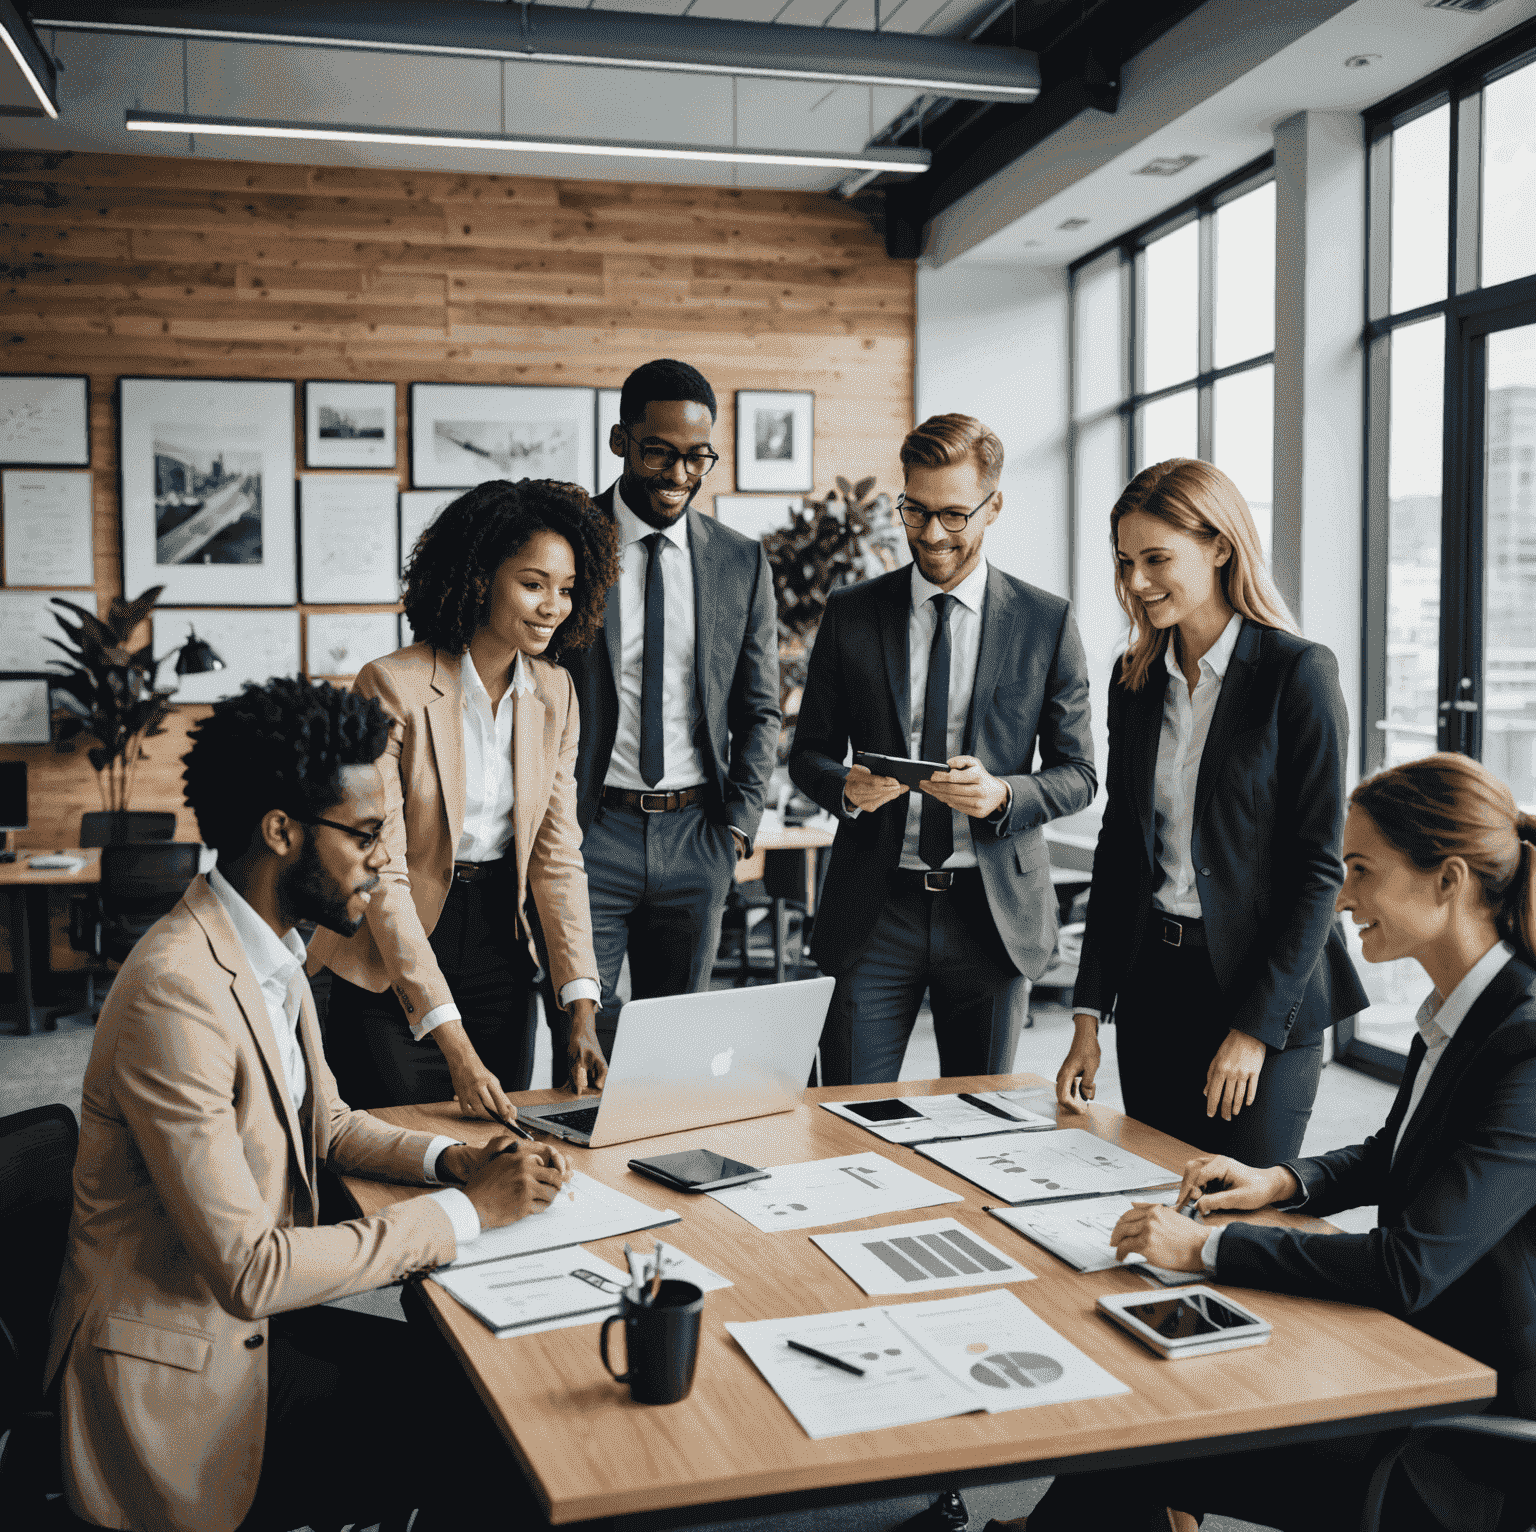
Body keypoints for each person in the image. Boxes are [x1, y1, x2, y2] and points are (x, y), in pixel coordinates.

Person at [45, 677, 571, 1532]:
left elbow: (322, 1123)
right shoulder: (176, 992)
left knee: (483, 1384)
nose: (382, 860)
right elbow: (251, 1270)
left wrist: (452, 1160)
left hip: (246, 1326)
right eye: (367, 835)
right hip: (183, 1370)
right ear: (281, 831)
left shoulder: (270, 951)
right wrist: (464, 1215)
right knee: (490, 1436)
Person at [1012, 752, 1536, 1532]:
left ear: (1448, 880)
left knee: (1154, 1427)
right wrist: (1280, 1183)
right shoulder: (1460, 1012)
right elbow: (1389, 1153)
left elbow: (1408, 1264)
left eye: (1360, 871)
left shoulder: (1524, 1045)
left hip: (1456, 1443)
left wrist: (1207, 1250)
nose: (1342, 896)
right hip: (1406, 1361)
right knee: (1155, 1394)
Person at [1055, 458, 1367, 1163]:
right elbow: (1120, 850)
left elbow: (1320, 870)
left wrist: (1255, 1029)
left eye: (1157, 558)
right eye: (1126, 561)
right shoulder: (1134, 681)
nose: (1136, 582)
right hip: (1153, 991)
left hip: (1263, 992)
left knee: (1236, 1208)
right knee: (1152, 1190)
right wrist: (1086, 1013)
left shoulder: (1299, 674)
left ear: (1220, 546)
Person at [789, 413, 1095, 1084]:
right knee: (846, 1117)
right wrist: (846, 786)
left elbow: (1079, 775)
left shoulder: (1048, 622)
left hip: (991, 915)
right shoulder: (852, 612)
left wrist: (1005, 794)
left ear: (994, 507)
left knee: (979, 1123)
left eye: (955, 516)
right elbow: (807, 752)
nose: (932, 535)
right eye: (916, 512)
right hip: (875, 909)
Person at [314, 477, 620, 1118]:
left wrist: (580, 1005)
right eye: (533, 584)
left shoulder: (556, 693)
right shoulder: (391, 686)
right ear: (479, 576)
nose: (553, 607)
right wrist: (450, 1039)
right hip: (389, 951)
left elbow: (557, 856)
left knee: (496, 1148)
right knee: (398, 1148)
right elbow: (384, 872)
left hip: (499, 946)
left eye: (566, 590)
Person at [552, 358, 779, 1073]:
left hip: (697, 837)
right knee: (583, 1053)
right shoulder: (566, 543)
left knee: (672, 1062)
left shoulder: (740, 560)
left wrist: (738, 827)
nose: (680, 473)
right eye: (660, 452)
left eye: (698, 457)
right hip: (590, 835)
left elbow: (760, 708)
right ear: (621, 441)